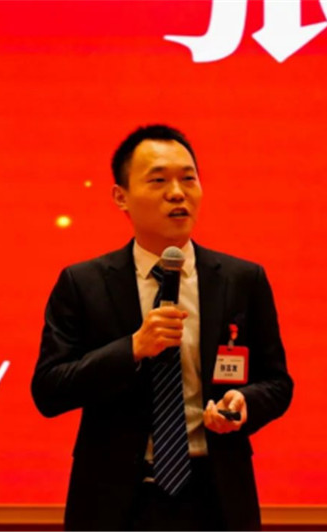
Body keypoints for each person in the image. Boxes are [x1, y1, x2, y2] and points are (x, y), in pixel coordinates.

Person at [31, 124, 292, 531]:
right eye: (158, 181)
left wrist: (244, 402)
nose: (177, 193)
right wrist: (132, 348)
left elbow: (277, 383)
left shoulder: (242, 280)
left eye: (188, 179)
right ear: (121, 196)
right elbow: (49, 390)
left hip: (217, 497)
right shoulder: (83, 283)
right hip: (115, 502)